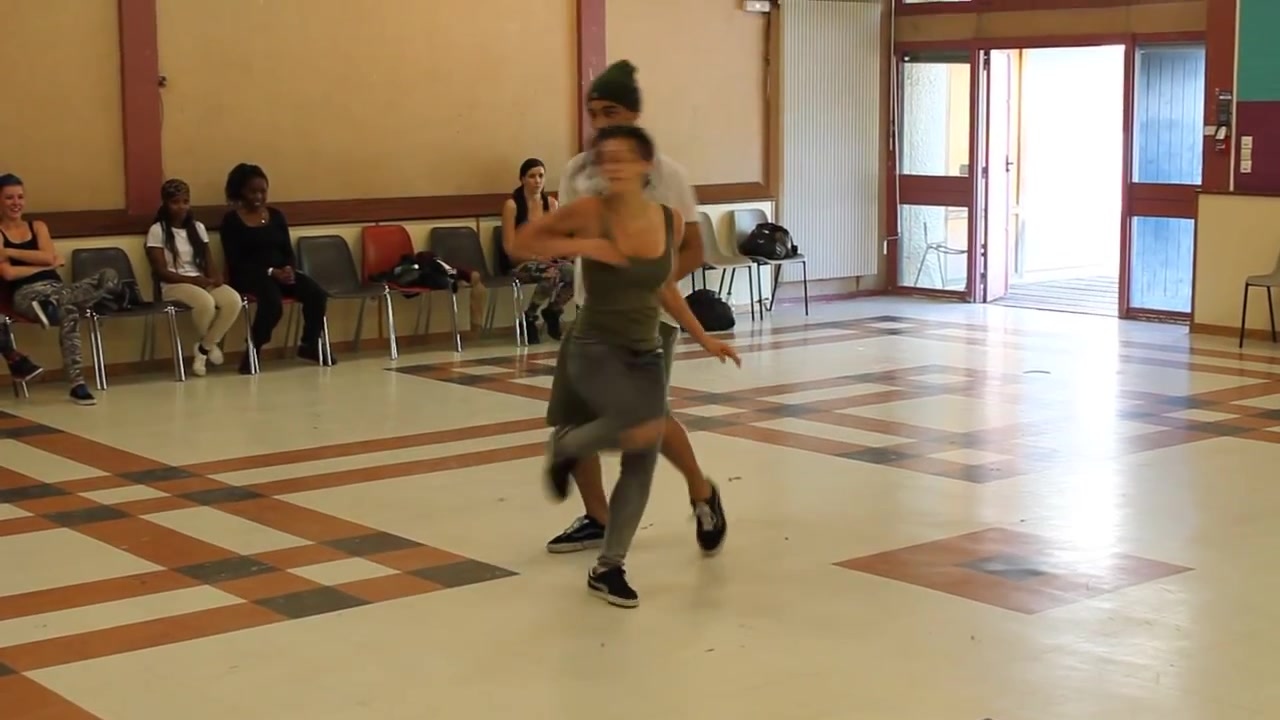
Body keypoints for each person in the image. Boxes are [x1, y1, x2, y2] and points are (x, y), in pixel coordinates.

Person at [510, 125, 741, 607]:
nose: (612, 166)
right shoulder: (589, 212)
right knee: (643, 428)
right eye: (605, 159)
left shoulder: (668, 220)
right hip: (595, 348)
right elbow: (523, 240)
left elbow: (663, 286)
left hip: (644, 352)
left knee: (641, 457)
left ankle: (608, 567)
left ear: (645, 166)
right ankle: (569, 446)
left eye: (622, 157)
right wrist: (584, 246)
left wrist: (703, 336)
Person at [543, 60, 729, 557]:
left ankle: (702, 491)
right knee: (572, 419)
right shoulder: (578, 173)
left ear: (633, 115)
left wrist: (651, 285)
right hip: (591, 317)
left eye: (611, 112)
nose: (600, 123)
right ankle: (597, 517)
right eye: (593, 113)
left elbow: (694, 249)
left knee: (648, 422)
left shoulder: (667, 175)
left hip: (649, 320)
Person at [0, 173, 119, 405]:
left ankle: (52, 306)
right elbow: (9, 273)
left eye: (20, 197)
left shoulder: (38, 226)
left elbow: (46, 256)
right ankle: (77, 384)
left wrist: (10, 252)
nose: (16, 203)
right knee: (71, 310)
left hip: (56, 290)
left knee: (108, 276)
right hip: (26, 295)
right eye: (9, 198)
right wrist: (46, 264)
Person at [220, 163, 332, 373]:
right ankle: (253, 350)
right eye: (253, 191)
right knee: (272, 303)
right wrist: (271, 272)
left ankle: (309, 344)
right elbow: (236, 260)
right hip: (250, 275)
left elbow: (287, 250)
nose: (259, 196)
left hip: (282, 273)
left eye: (263, 191)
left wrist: (289, 268)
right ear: (241, 192)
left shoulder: (276, 215)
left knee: (316, 294)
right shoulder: (231, 221)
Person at [144, 179, 242, 377]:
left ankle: (204, 348)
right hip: (173, 284)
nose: (182, 207)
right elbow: (161, 271)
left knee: (233, 300)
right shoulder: (157, 230)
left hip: (199, 280)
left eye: (185, 201)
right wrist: (192, 281)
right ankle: (209, 346)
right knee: (205, 303)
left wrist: (215, 277)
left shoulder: (197, 227)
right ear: (165, 203)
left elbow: (208, 260)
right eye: (175, 202)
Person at [498, 158, 572, 342]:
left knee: (574, 272)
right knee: (552, 274)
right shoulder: (512, 206)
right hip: (521, 261)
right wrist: (536, 257)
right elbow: (509, 248)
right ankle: (529, 316)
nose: (537, 181)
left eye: (541, 176)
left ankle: (553, 310)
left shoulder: (551, 204)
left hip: (548, 258)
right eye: (532, 176)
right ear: (522, 179)